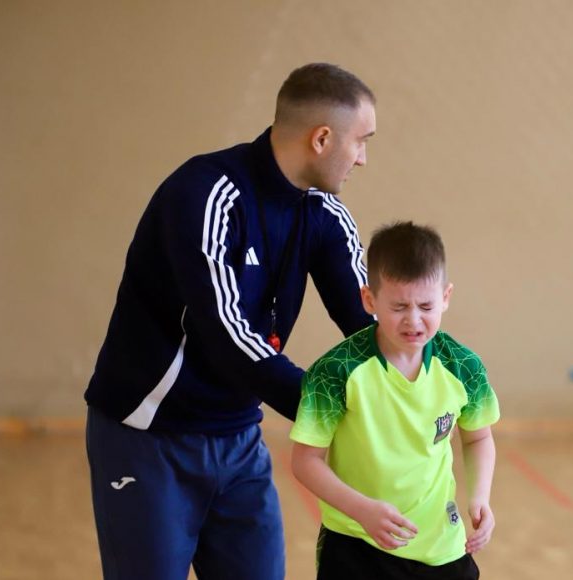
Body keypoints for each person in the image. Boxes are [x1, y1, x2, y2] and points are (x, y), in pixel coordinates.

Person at [84, 63, 378, 580]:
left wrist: (430, 384)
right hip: (149, 439)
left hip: (240, 441)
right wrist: (329, 409)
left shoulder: (325, 214)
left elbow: (370, 323)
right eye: (361, 141)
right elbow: (227, 334)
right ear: (322, 138)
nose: (363, 158)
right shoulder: (204, 194)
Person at [291, 221, 500, 580]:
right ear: (369, 300)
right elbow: (305, 461)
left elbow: (478, 437)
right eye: (399, 306)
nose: (413, 320)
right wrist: (362, 511)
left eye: (426, 306)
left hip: (441, 546)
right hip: (357, 544)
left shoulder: (463, 366)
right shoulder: (336, 371)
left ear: (446, 297)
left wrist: (480, 497)